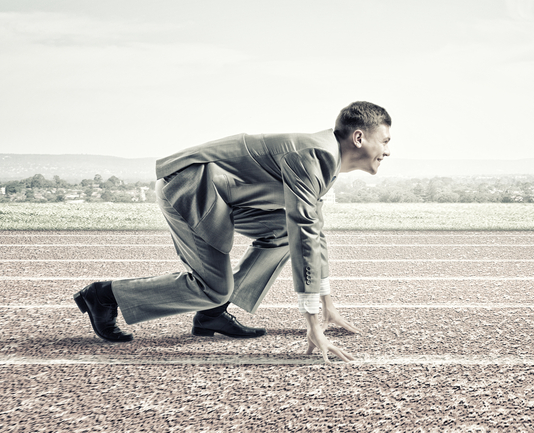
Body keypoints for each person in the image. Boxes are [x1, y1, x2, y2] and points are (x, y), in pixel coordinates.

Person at [74, 101, 391, 362]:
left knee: (282, 234)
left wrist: (327, 305)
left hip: (225, 197)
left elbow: (313, 232)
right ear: (359, 138)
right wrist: (312, 324)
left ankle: (211, 313)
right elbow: (304, 233)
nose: (387, 151)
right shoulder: (314, 156)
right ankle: (104, 295)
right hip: (190, 189)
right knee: (213, 286)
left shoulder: (325, 161)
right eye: (385, 141)